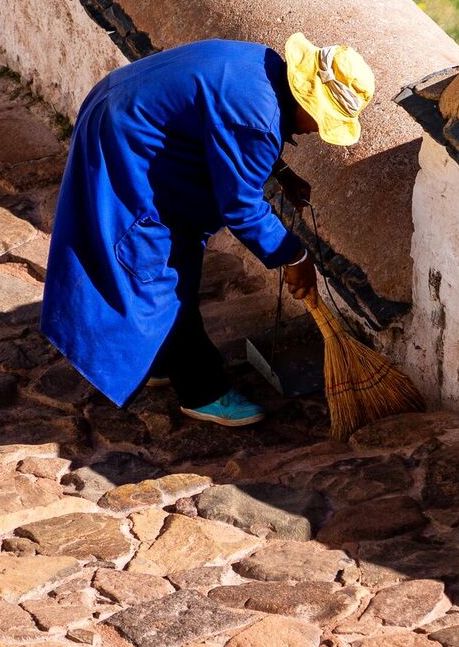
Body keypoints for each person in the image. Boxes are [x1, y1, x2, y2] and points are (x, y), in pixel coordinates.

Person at [40, 34, 375, 426]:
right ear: (306, 101)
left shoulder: (264, 66)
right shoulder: (256, 116)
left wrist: (280, 171)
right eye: (323, 121)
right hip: (127, 140)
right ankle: (201, 389)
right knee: (161, 267)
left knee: (172, 253)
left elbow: (223, 134)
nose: (318, 131)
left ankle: (160, 355)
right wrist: (294, 256)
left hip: (118, 100)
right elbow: (242, 208)